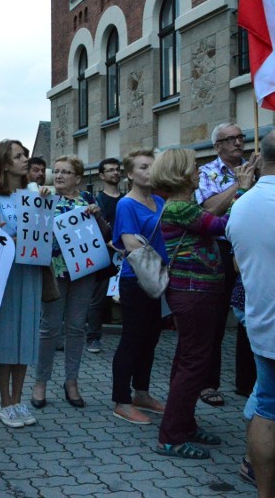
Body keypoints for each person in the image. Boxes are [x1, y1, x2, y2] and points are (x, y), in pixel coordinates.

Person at [150, 148, 252, 459]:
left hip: (197, 292)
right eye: (194, 167)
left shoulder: (184, 206)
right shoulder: (180, 208)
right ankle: (171, 436)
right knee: (193, 364)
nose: (199, 171)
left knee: (188, 360)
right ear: (180, 174)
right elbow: (223, 226)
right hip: (192, 293)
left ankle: (184, 423)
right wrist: (243, 187)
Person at [227, 127, 275, 498]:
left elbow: (241, 267)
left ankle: (265, 493)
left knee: (269, 410)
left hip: (265, 326)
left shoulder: (240, 206)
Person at [31, 155, 109, 409]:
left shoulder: (88, 200)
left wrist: (97, 216)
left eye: (66, 172)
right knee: (49, 328)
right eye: (58, 171)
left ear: (78, 178)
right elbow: (33, 228)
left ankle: (72, 381)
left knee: (76, 327)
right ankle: (40, 382)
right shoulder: (46, 197)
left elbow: (106, 234)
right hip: (55, 272)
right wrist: (38, 203)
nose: (60, 175)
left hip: (83, 272)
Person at [0, 140, 47, 426]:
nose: (25, 160)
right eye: (19, 156)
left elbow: (43, 231)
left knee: (26, 336)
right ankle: (4, 402)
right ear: (5, 164)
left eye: (25, 155)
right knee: (7, 337)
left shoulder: (32, 194)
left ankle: (19, 400)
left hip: (30, 270)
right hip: (7, 274)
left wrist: (44, 204)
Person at [194, 122, 255, 406]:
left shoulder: (258, 168)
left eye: (241, 137)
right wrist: (239, 185)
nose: (238, 143)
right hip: (219, 247)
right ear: (217, 146)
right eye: (230, 139)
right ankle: (208, 383)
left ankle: (247, 382)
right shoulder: (206, 172)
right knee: (215, 318)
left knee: (250, 314)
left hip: (251, 248)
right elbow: (210, 209)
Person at [110, 149, 168, 425]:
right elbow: (131, 244)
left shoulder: (158, 199)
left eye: (152, 166)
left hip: (157, 279)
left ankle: (141, 393)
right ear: (130, 174)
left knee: (150, 338)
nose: (149, 171)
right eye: (143, 167)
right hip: (137, 280)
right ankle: (121, 400)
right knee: (132, 339)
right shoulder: (126, 204)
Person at [86, 157, 123, 353]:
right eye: (110, 170)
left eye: (117, 170)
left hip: (125, 253)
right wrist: (110, 242)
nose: (115, 173)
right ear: (102, 175)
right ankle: (93, 338)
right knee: (98, 298)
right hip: (104, 253)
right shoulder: (97, 200)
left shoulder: (126, 198)